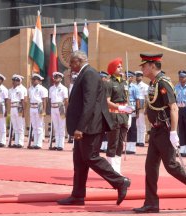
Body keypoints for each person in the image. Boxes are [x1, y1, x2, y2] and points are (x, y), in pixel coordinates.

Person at [133, 53, 186, 213]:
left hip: (164, 130)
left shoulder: (163, 82)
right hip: (156, 131)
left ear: (153, 66)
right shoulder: (154, 83)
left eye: (144, 65)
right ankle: (151, 203)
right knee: (150, 167)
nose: (142, 68)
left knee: (171, 166)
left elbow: (174, 107)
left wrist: (173, 132)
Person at [57, 51, 130, 206]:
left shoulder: (89, 74)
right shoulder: (84, 73)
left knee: (91, 157)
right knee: (79, 161)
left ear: (78, 61)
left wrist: (80, 128)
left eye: (71, 62)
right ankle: (77, 195)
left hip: (90, 127)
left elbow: (89, 103)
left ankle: (120, 181)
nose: (70, 66)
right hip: (85, 126)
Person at [105, 57, 132, 174]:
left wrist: (128, 112)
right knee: (113, 143)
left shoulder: (125, 82)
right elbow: (107, 101)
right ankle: (111, 170)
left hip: (124, 116)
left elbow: (127, 99)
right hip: (114, 116)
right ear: (112, 69)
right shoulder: (109, 83)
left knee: (121, 143)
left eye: (121, 66)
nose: (121, 68)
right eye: (118, 66)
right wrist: (119, 107)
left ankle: (117, 169)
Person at [28, 74, 48, 149]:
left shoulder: (42, 89)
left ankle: (39, 143)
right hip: (32, 106)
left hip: (39, 106)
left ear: (39, 81)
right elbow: (30, 99)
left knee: (39, 125)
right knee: (34, 126)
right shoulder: (30, 89)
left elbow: (44, 101)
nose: (33, 81)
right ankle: (35, 142)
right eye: (32, 79)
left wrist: (44, 110)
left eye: (35, 79)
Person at [8, 74, 27, 148]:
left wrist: (23, 111)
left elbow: (23, 101)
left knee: (20, 126)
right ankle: (16, 142)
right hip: (12, 107)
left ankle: (20, 142)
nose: (14, 82)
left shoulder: (21, 89)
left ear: (19, 82)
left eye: (16, 80)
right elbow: (9, 100)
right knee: (15, 126)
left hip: (19, 107)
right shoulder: (10, 90)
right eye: (13, 80)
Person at [125, 71, 140, 154]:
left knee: (133, 127)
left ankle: (132, 146)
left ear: (132, 78)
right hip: (124, 108)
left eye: (129, 77)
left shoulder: (135, 87)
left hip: (132, 107)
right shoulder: (124, 85)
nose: (127, 78)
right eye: (126, 76)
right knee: (127, 126)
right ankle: (128, 145)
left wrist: (137, 111)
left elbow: (137, 99)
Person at [134, 71, 149, 147]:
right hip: (135, 105)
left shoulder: (145, 86)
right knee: (136, 124)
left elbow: (147, 98)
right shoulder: (133, 85)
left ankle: (142, 140)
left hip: (142, 105)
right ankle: (137, 140)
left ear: (142, 77)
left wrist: (146, 108)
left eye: (139, 76)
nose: (137, 77)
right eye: (136, 76)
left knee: (142, 123)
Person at [99, 71, 110, 152]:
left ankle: (106, 145)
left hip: (108, 109)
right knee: (101, 128)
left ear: (105, 78)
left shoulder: (109, 86)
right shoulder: (98, 86)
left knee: (107, 129)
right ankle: (102, 145)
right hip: (100, 110)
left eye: (102, 77)